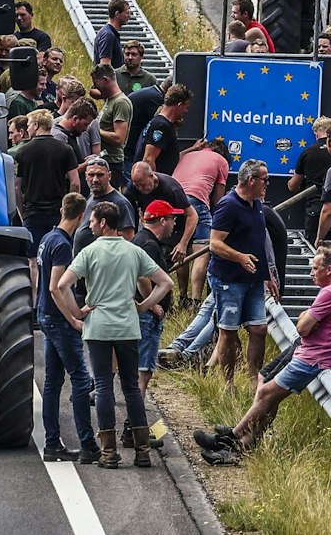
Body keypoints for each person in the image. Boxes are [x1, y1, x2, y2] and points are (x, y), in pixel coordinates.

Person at [193, 244, 331, 465]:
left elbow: (302, 328)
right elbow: (308, 324)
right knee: (270, 393)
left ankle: (230, 439)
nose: (311, 273)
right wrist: (308, 317)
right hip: (317, 352)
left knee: (266, 393)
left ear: (329, 269)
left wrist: (307, 317)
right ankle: (242, 446)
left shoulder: (330, 292)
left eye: (315, 269)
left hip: (316, 356)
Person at [53, 201, 173, 469]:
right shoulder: (134, 251)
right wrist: (142, 306)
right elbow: (166, 282)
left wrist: (78, 313)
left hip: (98, 327)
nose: (90, 225)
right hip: (128, 325)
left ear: (103, 222)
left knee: (105, 385)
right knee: (131, 386)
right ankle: (142, 450)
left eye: (93, 221)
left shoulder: (89, 252)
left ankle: (109, 453)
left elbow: (62, 285)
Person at [37, 193, 98, 463]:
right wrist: (73, 319)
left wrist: (77, 309)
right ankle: (88, 444)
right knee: (81, 380)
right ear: (82, 216)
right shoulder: (62, 245)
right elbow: (56, 286)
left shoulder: (47, 239)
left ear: (62, 209)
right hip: (58, 320)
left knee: (53, 381)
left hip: (46, 315)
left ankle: (52, 442)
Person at [207, 160, 277, 386]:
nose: (268, 184)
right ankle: (228, 383)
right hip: (229, 279)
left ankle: (253, 377)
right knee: (228, 331)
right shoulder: (228, 205)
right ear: (251, 180)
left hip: (254, 279)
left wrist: (268, 275)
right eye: (265, 180)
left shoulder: (256, 204)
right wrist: (239, 257)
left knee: (259, 328)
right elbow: (214, 244)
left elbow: (258, 242)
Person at [173, 137, 231, 302]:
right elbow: (218, 201)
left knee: (180, 250)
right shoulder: (221, 161)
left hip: (174, 201)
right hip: (196, 201)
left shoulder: (186, 156)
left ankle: (182, 296)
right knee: (201, 253)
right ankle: (196, 300)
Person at [135, 200, 180, 393]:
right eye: (172, 219)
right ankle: (135, 418)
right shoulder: (149, 245)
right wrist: (151, 305)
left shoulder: (140, 239)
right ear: (162, 221)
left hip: (142, 314)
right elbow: (142, 277)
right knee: (144, 369)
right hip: (146, 317)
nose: (174, 223)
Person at [15, 108, 79, 244]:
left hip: (32, 212)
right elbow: (75, 183)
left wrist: (23, 214)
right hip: (57, 212)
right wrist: (70, 212)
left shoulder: (22, 152)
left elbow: (16, 187)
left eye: (29, 126)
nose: (28, 129)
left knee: (32, 259)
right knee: (58, 253)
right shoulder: (65, 149)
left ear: (36, 125)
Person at [74, 159, 135, 254]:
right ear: (85, 176)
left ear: (109, 176)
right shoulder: (91, 196)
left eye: (100, 175)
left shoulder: (120, 203)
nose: (95, 180)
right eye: (91, 175)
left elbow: (128, 237)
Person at [92, 65, 133, 181]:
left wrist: (94, 130)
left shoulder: (121, 102)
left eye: (96, 83)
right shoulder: (110, 100)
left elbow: (119, 138)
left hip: (112, 163)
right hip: (104, 160)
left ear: (105, 80)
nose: (95, 87)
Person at [138, 84, 189, 175]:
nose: (186, 111)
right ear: (179, 105)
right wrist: (154, 185)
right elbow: (149, 159)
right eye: (186, 107)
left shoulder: (158, 123)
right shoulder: (161, 125)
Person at [93, 0, 129, 68]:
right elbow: (105, 66)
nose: (129, 16)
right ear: (117, 14)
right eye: (127, 13)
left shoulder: (110, 33)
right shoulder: (108, 35)